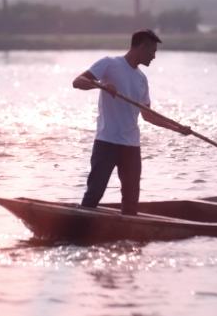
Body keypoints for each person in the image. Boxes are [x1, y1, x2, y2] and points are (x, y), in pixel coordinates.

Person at [72, 29, 192, 215]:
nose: (153, 56)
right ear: (141, 47)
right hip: (106, 142)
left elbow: (148, 115)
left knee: (131, 199)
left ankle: (128, 237)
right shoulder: (109, 64)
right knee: (94, 193)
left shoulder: (142, 79)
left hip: (131, 146)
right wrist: (101, 85)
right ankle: (80, 230)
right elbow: (77, 82)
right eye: (152, 51)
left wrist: (177, 128)